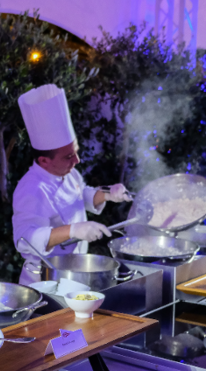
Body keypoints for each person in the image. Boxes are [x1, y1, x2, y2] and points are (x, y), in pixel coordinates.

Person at [12, 84, 131, 285]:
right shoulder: (30, 189)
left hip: (73, 272)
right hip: (45, 279)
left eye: (75, 151)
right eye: (68, 156)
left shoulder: (69, 172)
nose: (76, 160)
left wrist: (108, 194)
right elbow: (25, 239)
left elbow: (80, 195)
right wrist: (73, 230)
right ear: (44, 161)